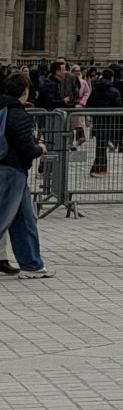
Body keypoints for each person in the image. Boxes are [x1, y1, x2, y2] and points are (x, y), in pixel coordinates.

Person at [0, 71, 55, 277]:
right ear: (25, 91)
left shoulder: (2, 110)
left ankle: (32, 264)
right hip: (12, 172)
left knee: (24, 217)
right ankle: (32, 264)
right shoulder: (20, 116)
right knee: (9, 219)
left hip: (10, 172)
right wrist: (41, 147)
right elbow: (27, 150)